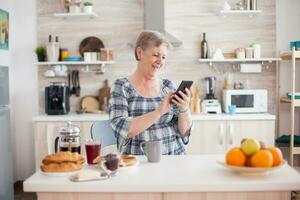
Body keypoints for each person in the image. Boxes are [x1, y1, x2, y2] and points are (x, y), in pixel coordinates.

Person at [109, 30, 193, 155]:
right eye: (155, 55)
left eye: (163, 57)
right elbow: (123, 129)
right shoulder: (122, 87)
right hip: (137, 162)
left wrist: (184, 108)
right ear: (139, 53)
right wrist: (159, 112)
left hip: (174, 158)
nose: (160, 61)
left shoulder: (169, 86)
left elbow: (184, 133)